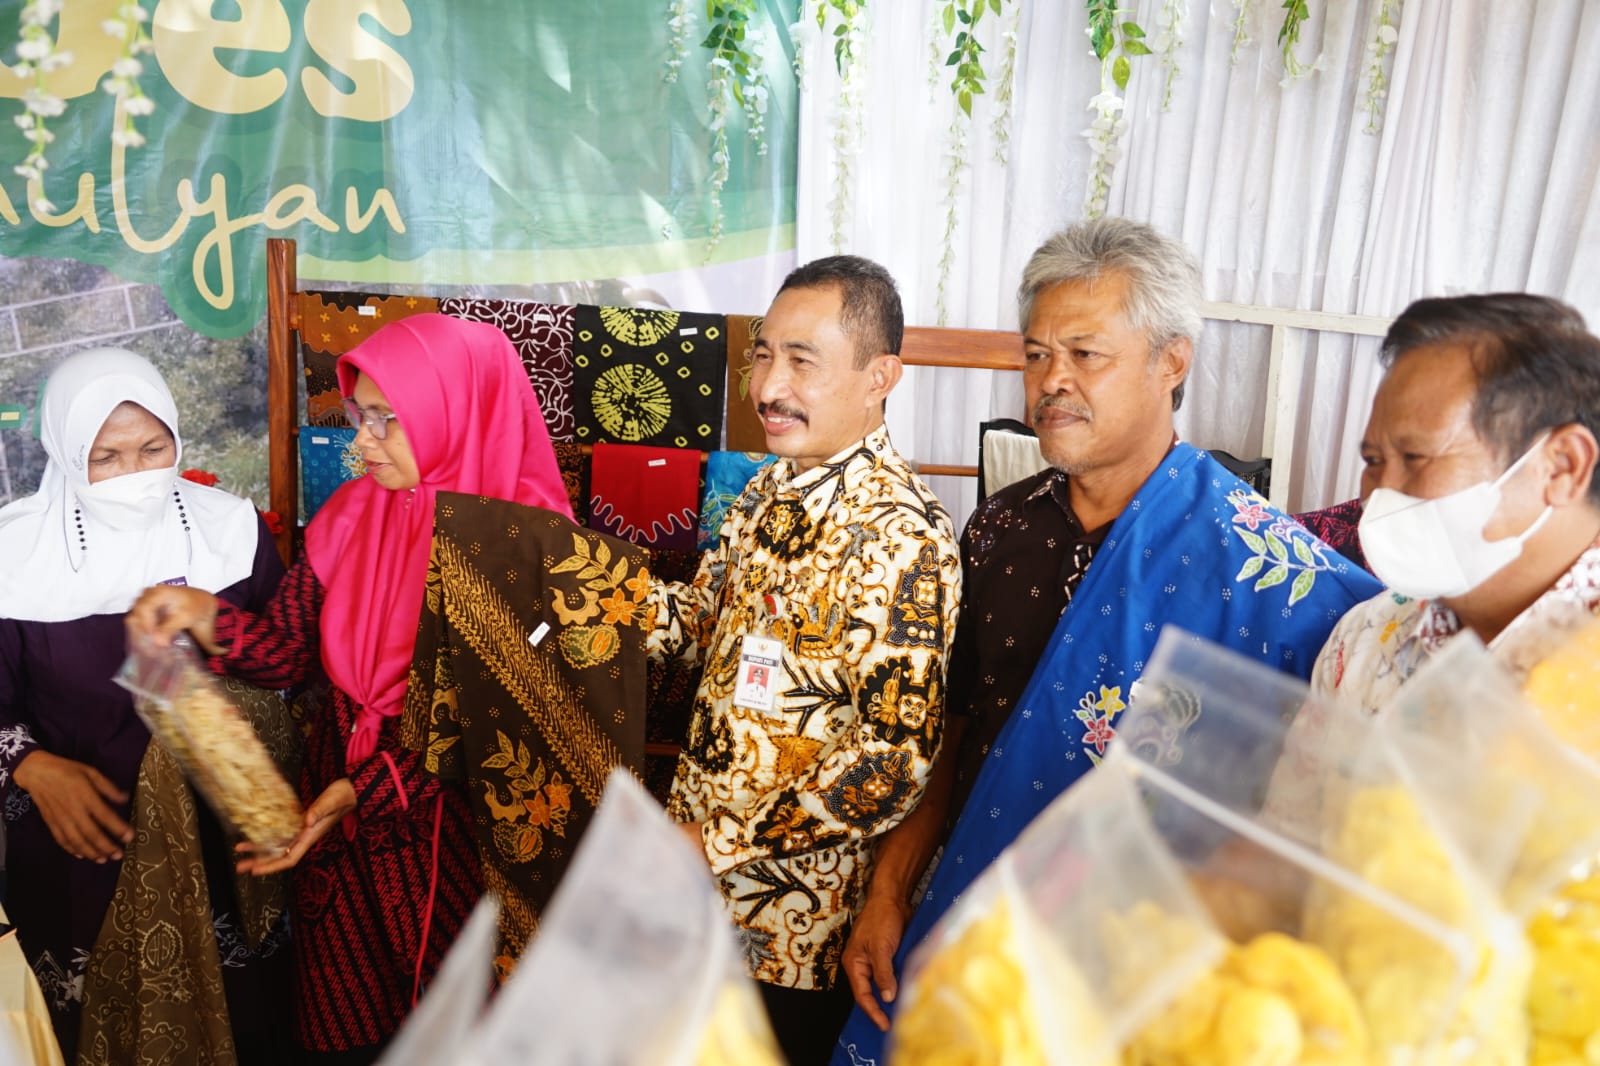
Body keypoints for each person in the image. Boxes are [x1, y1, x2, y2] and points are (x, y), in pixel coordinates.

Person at [830, 218, 1383, 1066]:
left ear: (1172, 362)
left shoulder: (1274, 578)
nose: (1052, 381)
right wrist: (889, 889)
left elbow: (1311, 818)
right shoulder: (998, 530)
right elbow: (954, 731)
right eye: (1036, 354)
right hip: (968, 924)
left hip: (1137, 971)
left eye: (1085, 355)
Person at [127, 314, 574, 1064]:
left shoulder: (531, 546)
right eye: (359, 416)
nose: (361, 441)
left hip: (461, 837)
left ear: (453, 414)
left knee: (463, 1032)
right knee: (348, 1028)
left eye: (386, 419)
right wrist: (203, 616)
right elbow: (287, 656)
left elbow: (499, 724)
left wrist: (359, 789)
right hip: (342, 826)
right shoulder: (352, 516)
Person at [649, 256, 961, 1065]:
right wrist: (569, 587)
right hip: (693, 893)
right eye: (763, 354)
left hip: (791, 933)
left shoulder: (904, 536)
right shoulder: (763, 492)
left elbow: (892, 760)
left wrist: (716, 842)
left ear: (879, 377)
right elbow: (697, 623)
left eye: (801, 360)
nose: (767, 386)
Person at [0, 348, 289, 1064]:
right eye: (107, 456)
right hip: (83, 848)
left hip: (224, 842)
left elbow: (290, 667)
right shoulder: (14, 555)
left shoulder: (232, 531)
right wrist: (30, 766)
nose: (136, 474)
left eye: (154, 449)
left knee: (245, 1020)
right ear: (68, 454)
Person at [1301, 293, 1600, 709]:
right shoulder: (1363, 642)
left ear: (1562, 467)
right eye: (1373, 461)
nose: (1382, 492)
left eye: (1414, 457)